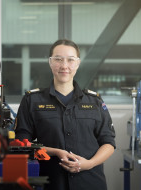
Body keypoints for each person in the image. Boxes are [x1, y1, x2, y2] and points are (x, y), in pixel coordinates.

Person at [14, 39, 116, 190]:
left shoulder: (94, 101)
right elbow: (22, 144)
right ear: (50, 62)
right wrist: (53, 152)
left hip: (91, 182)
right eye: (58, 59)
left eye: (70, 60)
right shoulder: (32, 100)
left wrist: (89, 163)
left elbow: (108, 143)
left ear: (78, 63)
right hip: (50, 182)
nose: (64, 66)